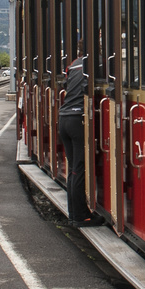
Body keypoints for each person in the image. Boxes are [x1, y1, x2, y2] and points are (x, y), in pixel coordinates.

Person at [58, 53, 95, 224]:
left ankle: (73, 213)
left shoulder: (73, 64)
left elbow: (66, 85)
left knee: (73, 168)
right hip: (76, 119)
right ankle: (81, 216)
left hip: (64, 118)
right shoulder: (94, 63)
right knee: (79, 168)